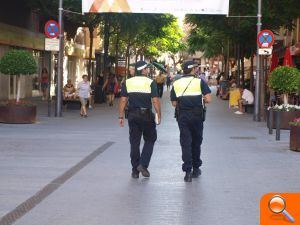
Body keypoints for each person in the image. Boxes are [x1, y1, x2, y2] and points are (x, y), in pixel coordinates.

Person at [118, 60, 161, 179]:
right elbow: (155, 100)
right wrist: (159, 114)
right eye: (146, 68)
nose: (147, 70)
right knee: (150, 139)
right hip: (146, 115)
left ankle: (134, 171)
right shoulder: (150, 82)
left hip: (132, 115)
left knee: (134, 142)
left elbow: (123, 100)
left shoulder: (128, 82)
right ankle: (143, 164)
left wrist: (121, 116)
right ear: (143, 70)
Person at [170, 61, 212, 182]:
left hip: (182, 115)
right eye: (195, 68)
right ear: (192, 70)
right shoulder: (199, 82)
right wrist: (200, 98)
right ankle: (196, 167)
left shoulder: (176, 83)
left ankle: (187, 172)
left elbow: (174, 103)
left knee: (185, 142)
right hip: (197, 115)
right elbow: (208, 99)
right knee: (196, 141)